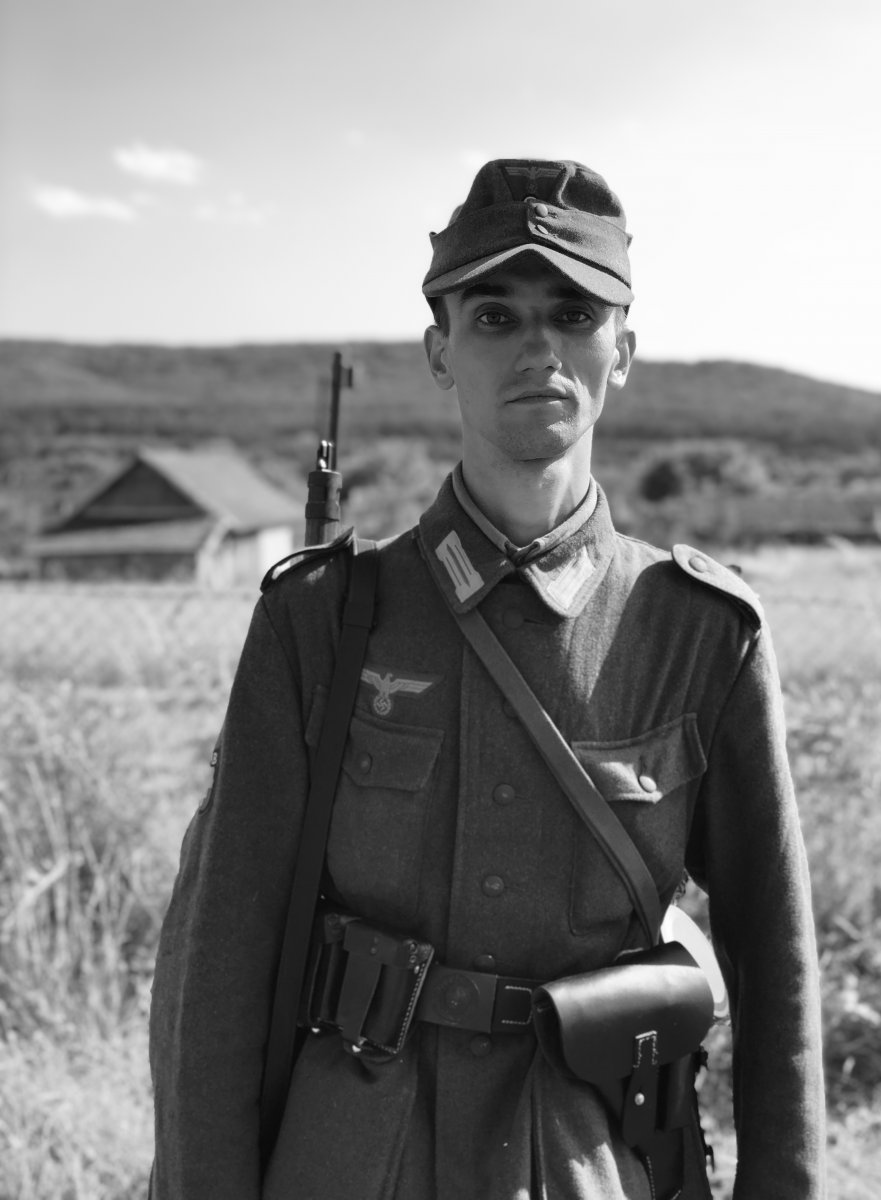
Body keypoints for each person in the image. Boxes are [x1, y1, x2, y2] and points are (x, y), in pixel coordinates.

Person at [149, 158, 825, 1199]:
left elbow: (777, 970)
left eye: (575, 314)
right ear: (441, 353)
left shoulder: (699, 632)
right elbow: (221, 951)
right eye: (496, 316)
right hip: (349, 1155)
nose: (539, 348)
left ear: (622, 352)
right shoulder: (318, 618)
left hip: (584, 1154)